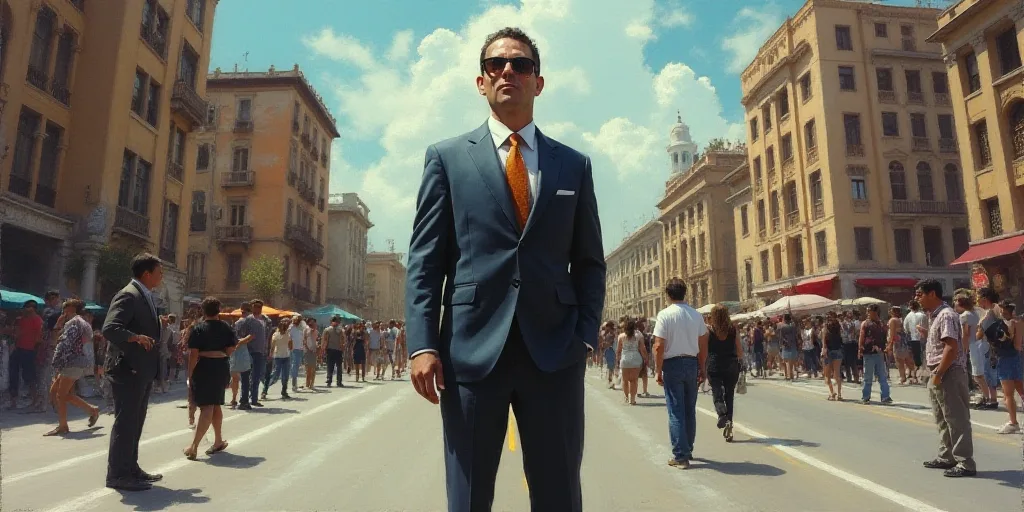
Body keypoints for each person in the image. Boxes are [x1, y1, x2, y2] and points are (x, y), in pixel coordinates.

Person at [405, 26, 604, 512]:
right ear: (481, 82)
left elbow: (590, 261)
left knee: (559, 493)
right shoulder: (447, 159)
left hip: (555, 353)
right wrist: (423, 344)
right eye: (497, 64)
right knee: (468, 495)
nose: (508, 71)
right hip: (470, 355)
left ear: (539, 82)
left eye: (521, 64)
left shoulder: (572, 165)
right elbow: (425, 263)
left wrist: (584, 336)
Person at [102, 252, 165, 491]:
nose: (161, 276)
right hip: (127, 369)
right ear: (146, 274)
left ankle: (131, 468)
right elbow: (111, 328)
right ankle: (117, 475)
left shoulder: (145, 295)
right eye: (159, 272)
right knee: (126, 422)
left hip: (141, 369)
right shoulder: (128, 295)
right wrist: (134, 337)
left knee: (135, 422)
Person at [915, 279, 975, 477]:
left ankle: (965, 462)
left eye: (920, 294)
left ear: (932, 294)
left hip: (948, 372)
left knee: (956, 418)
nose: (917, 298)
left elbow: (951, 347)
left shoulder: (946, 315)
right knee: (942, 418)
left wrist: (939, 373)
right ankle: (946, 456)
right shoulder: (935, 315)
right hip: (938, 372)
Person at [652, 279, 708, 468]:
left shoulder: (664, 315)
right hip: (692, 362)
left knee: (676, 410)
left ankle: (680, 456)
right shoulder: (696, 315)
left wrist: (658, 370)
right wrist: (702, 367)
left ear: (668, 295)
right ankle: (688, 449)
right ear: (685, 293)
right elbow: (703, 344)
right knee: (689, 409)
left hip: (673, 364)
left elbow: (659, 346)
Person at [183, 297, 236, 460]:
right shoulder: (226, 327)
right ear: (218, 310)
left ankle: (194, 446)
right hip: (221, 367)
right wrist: (221, 353)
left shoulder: (199, 328)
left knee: (207, 407)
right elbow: (231, 348)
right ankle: (218, 440)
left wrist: (190, 374)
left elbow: (193, 354)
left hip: (205, 367)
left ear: (203, 310)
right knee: (216, 404)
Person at [45, 299, 100, 436]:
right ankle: (92, 410)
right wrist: (58, 326)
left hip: (72, 362)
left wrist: (57, 364)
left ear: (73, 309)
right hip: (71, 362)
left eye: (66, 307)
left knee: (60, 395)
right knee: (56, 392)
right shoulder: (75, 323)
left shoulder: (75, 323)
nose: (63, 309)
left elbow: (65, 345)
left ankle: (63, 426)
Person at [705, 304, 742, 442]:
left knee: (717, 393)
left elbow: (705, 351)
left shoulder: (710, 331)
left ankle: (722, 414)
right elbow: (740, 351)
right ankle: (729, 427)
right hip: (731, 365)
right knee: (729, 396)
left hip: (714, 365)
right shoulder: (733, 330)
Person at [994, 301, 1023, 434]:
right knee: (1021, 391)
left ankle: (1013, 422)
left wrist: (1004, 337)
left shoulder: (1012, 323)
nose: (1001, 313)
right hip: (1017, 358)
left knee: (1008, 395)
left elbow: (1015, 343)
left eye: (1003, 311)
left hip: (1008, 359)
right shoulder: (1018, 322)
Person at [859, 305, 892, 405]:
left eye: (869, 311)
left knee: (882, 376)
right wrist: (860, 348)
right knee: (868, 377)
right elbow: (862, 336)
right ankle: (866, 396)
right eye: (867, 312)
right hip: (868, 353)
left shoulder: (882, 324)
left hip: (880, 352)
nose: (868, 313)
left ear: (875, 312)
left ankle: (885, 396)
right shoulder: (865, 323)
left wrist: (886, 347)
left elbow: (886, 336)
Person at [615, 317, 647, 405]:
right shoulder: (638, 335)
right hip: (636, 359)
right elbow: (642, 349)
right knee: (634, 380)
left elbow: (618, 350)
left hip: (625, 359)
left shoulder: (621, 336)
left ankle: (626, 397)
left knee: (625, 380)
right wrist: (646, 359)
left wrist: (617, 361)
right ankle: (632, 399)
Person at [903, 301, 928, 384]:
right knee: (920, 357)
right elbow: (926, 327)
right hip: (921, 339)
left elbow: (905, 328)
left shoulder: (908, 316)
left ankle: (911, 374)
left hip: (911, 339)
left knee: (912, 357)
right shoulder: (923, 315)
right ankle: (916, 375)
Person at [822, 311, 844, 401]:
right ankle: (839, 394)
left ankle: (832, 393)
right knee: (837, 374)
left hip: (829, 352)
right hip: (838, 350)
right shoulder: (838, 327)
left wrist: (823, 351)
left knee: (827, 374)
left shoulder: (825, 328)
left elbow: (823, 342)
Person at [322, 316, 346, 387]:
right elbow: (343, 340)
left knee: (330, 366)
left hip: (330, 349)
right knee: (339, 366)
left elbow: (324, 340)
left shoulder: (327, 330)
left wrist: (323, 349)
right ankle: (339, 381)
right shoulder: (341, 330)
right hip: (338, 350)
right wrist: (342, 347)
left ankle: (329, 380)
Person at [777, 314, 799, 381]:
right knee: (791, 361)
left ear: (784, 319)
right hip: (793, 345)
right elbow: (796, 336)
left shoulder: (782, 327)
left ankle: (788, 375)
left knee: (786, 361)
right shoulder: (793, 327)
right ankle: (791, 375)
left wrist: (780, 346)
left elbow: (781, 338)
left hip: (786, 345)